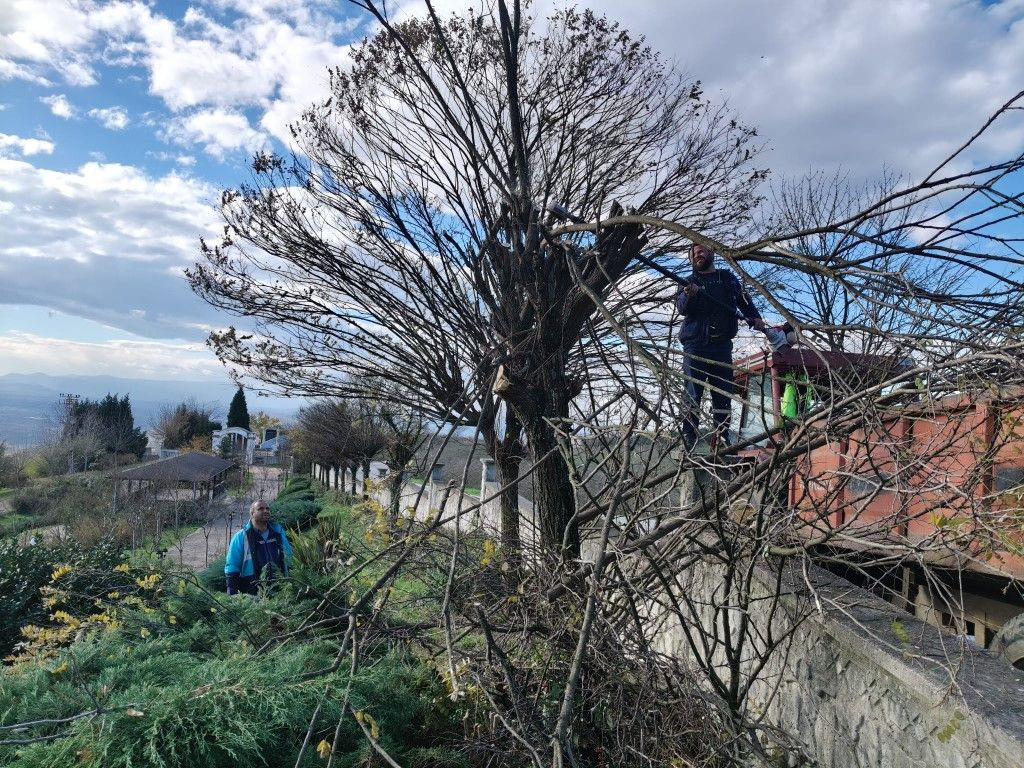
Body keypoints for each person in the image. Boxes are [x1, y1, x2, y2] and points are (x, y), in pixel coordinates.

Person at [676, 243, 766, 449]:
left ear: (711, 253)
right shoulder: (688, 281)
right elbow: (682, 308)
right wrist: (689, 294)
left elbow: (744, 300)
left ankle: (723, 437)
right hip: (696, 346)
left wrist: (756, 318)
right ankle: (689, 438)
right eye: (693, 254)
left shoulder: (727, 278)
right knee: (692, 392)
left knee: (723, 393)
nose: (697, 255)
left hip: (722, 346)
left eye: (701, 251)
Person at [224, 499, 293, 595]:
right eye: (260, 509)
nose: (265, 511)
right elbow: (232, 565)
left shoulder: (278, 533)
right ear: (252, 513)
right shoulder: (241, 537)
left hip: (280, 589)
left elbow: (289, 557)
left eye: (267, 508)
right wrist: (232, 592)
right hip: (252, 591)